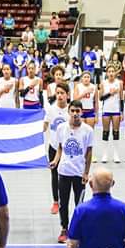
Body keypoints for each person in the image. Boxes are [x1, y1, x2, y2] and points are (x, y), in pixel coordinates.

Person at [66, 167, 125, 248]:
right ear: (112, 183)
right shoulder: (123, 209)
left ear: (90, 184)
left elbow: (72, 244)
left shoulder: (81, 211)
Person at [49, 100, 93, 243]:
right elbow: (60, 147)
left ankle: (78, 229)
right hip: (64, 172)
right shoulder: (61, 128)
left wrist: (86, 172)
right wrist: (56, 161)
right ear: (69, 112)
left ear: (82, 112)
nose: (75, 114)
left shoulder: (88, 130)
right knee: (63, 203)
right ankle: (64, 228)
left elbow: (89, 152)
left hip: (79, 173)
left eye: (77, 111)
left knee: (79, 204)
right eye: (72, 111)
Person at [44, 83, 70, 215]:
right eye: (57, 93)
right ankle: (55, 201)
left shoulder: (71, 110)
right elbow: (44, 126)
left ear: (67, 95)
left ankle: (65, 201)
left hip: (66, 149)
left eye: (62, 93)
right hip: (53, 147)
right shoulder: (51, 109)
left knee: (65, 175)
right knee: (54, 175)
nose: (59, 96)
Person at [99, 65, 124, 163]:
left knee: (116, 132)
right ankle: (105, 154)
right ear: (107, 73)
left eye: (113, 71)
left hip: (116, 110)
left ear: (115, 73)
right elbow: (100, 98)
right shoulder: (103, 83)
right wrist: (110, 93)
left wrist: (122, 112)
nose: (111, 73)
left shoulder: (119, 83)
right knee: (105, 132)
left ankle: (116, 154)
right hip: (106, 109)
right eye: (109, 71)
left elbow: (121, 98)